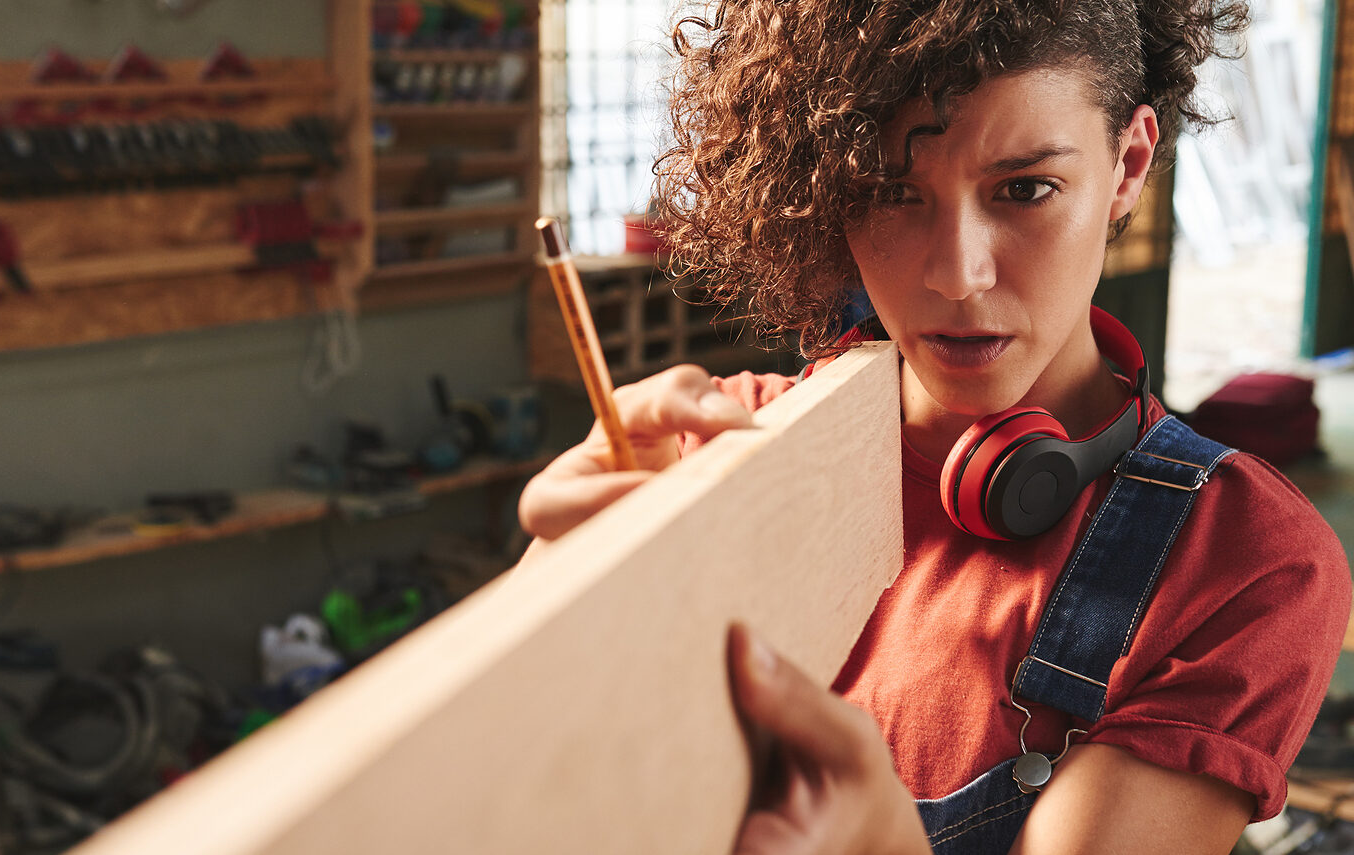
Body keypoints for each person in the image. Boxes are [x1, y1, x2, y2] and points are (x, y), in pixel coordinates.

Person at [519, 0, 1353, 852]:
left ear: (1129, 164)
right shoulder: (712, 453)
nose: (958, 273)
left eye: (1025, 189)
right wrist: (546, 600)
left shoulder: (1244, 560)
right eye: (891, 193)